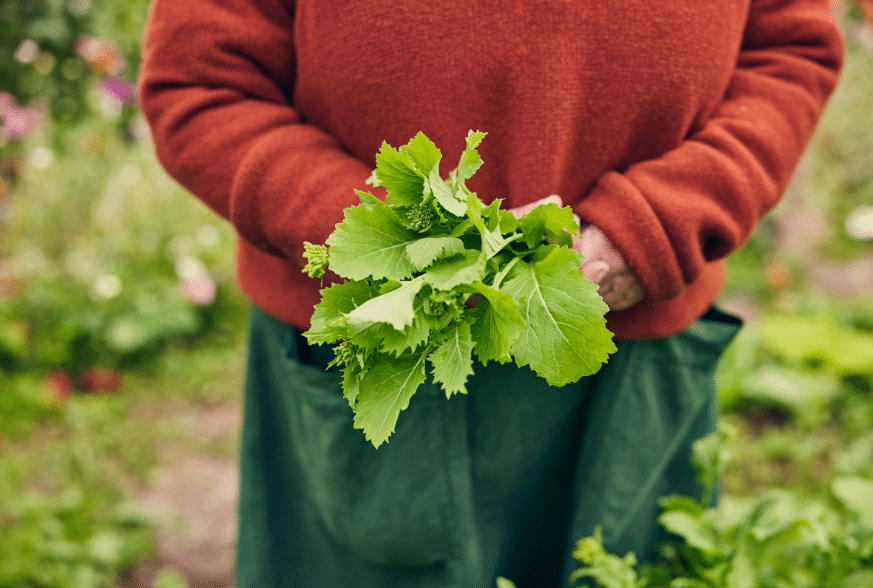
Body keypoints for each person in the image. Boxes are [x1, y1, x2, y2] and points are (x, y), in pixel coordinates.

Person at [137, 1, 844, 586]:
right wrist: (388, 241)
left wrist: (659, 224)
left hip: (634, 357)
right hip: (370, 349)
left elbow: (789, 50)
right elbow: (202, 82)